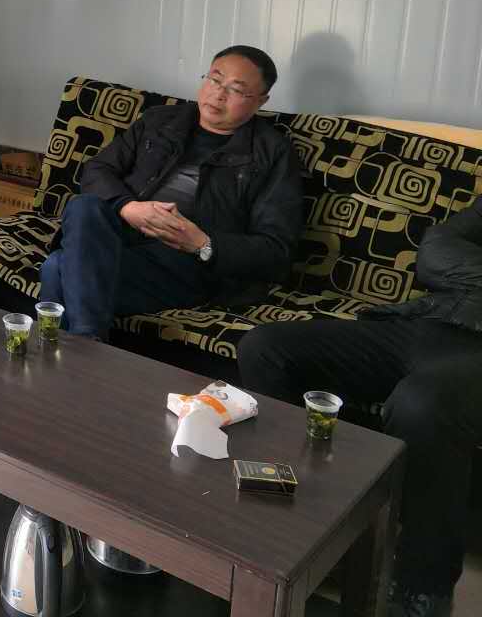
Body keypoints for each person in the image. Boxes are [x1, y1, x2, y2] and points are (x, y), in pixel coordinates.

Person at [239, 196, 482, 617]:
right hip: (434, 323)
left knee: (421, 404)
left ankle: (422, 588)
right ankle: (298, 533)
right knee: (265, 349)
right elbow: (435, 249)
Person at [40, 45, 303, 338]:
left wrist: (202, 243)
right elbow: (97, 170)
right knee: (84, 206)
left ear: (261, 101)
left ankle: (81, 341)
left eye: (237, 90)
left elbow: (277, 250)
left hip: (188, 265)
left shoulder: (273, 153)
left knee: (57, 267)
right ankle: (87, 342)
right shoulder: (160, 120)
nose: (219, 94)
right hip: (122, 238)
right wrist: (129, 208)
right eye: (215, 79)